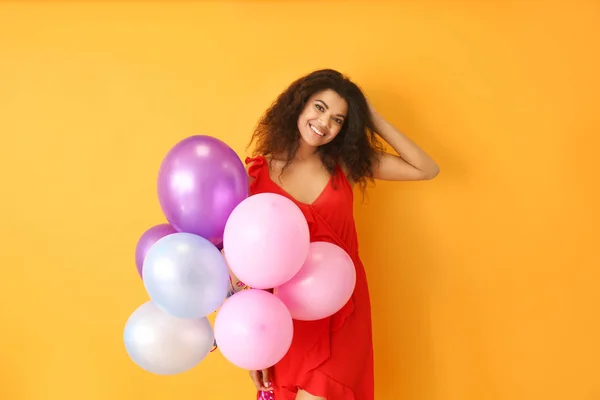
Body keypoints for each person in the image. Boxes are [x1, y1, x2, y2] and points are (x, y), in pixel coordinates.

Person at [234, 69, 439, 400]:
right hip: (286, 319)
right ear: (298, 106)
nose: (325, 122)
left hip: (343, 308)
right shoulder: (255, 175)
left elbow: (426, 169)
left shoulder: (345, 164)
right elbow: (242, 257)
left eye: (339, 119)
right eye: (319, 107)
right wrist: (252, 341)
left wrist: (371, 117)